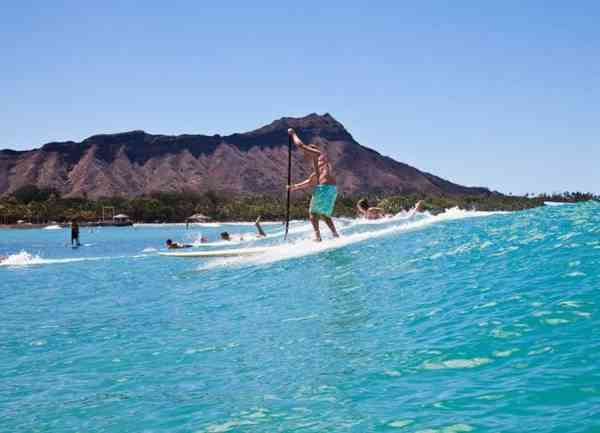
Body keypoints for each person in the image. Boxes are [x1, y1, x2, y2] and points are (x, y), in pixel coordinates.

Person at [287, 128, 339, 242]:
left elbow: (300, 145)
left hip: (324, 188)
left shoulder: (319, 155)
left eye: (308, 152)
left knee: (313, 212)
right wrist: (293, 187)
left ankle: (317, 237)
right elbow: (309, 182)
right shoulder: (319, 166)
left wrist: (293, 134)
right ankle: (335, 234)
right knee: (325, 214)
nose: (306, 154)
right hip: (332, 190)